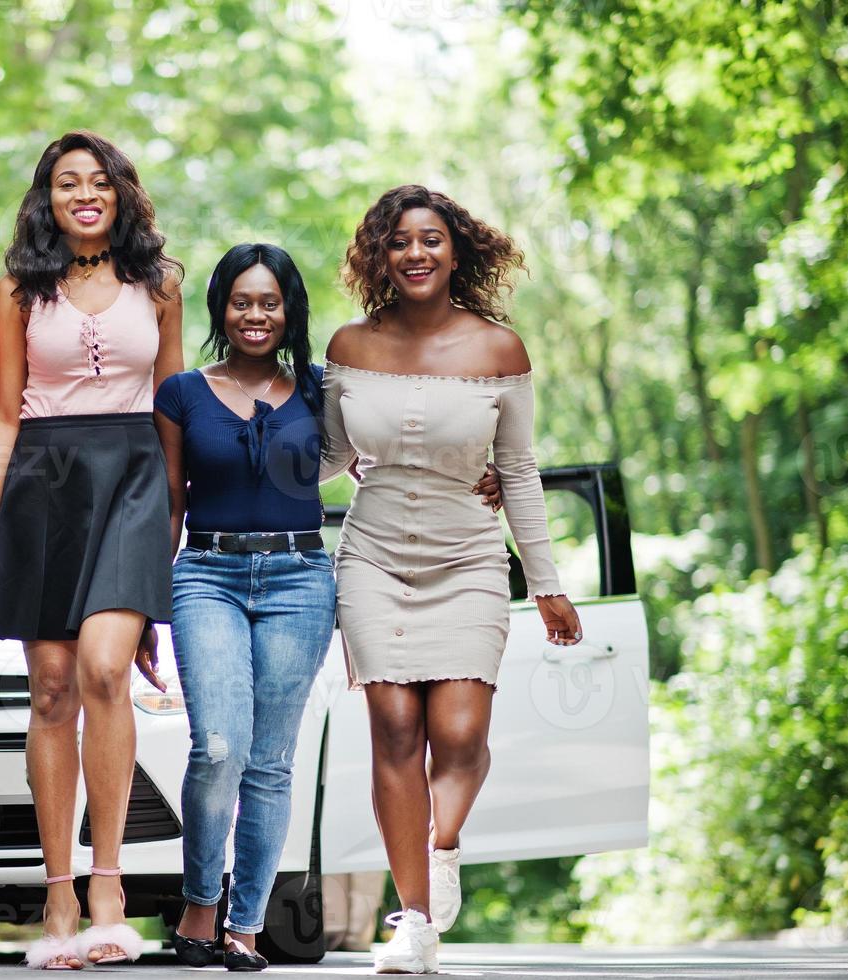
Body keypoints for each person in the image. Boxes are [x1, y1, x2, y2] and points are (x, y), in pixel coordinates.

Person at [321, 185, 583, 975]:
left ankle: (439, 847)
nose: (414, 254)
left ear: (455, 250)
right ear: (378, 257)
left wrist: (545, 582)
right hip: (370, 558)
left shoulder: (498, 350)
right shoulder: (347, 347)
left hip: (468, 556)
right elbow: (329, 458)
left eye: (430, 239)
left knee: (462, 736)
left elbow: (518, 470)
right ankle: (414, 924)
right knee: (395, 734)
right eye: (398, 242)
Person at [0, 131, 184, 970]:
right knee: (53, 686)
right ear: (47, 198)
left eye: (98, 181)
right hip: (41, 484)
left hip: (135, 477)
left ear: (120, 193)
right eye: (68, 183)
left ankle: (109, 892)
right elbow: (2, 416)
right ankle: (56, 896)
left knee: (104, 669)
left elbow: (172, 404)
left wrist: (171, 521)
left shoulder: (160, 284)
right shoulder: (18, 291)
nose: (84, 194)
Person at [153, 243, 332, 973]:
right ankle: (201, 899)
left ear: (289, 311)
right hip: (207, 574)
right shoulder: (182, 394)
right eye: (241, 301)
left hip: (300, 577)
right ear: (220, 308)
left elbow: (387, 457)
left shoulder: (321, 391)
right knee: (217, 747)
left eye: (269, 301)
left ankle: (245, 927)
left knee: (269, 763)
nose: (255, 314)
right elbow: (167, 506)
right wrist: (143, 606)